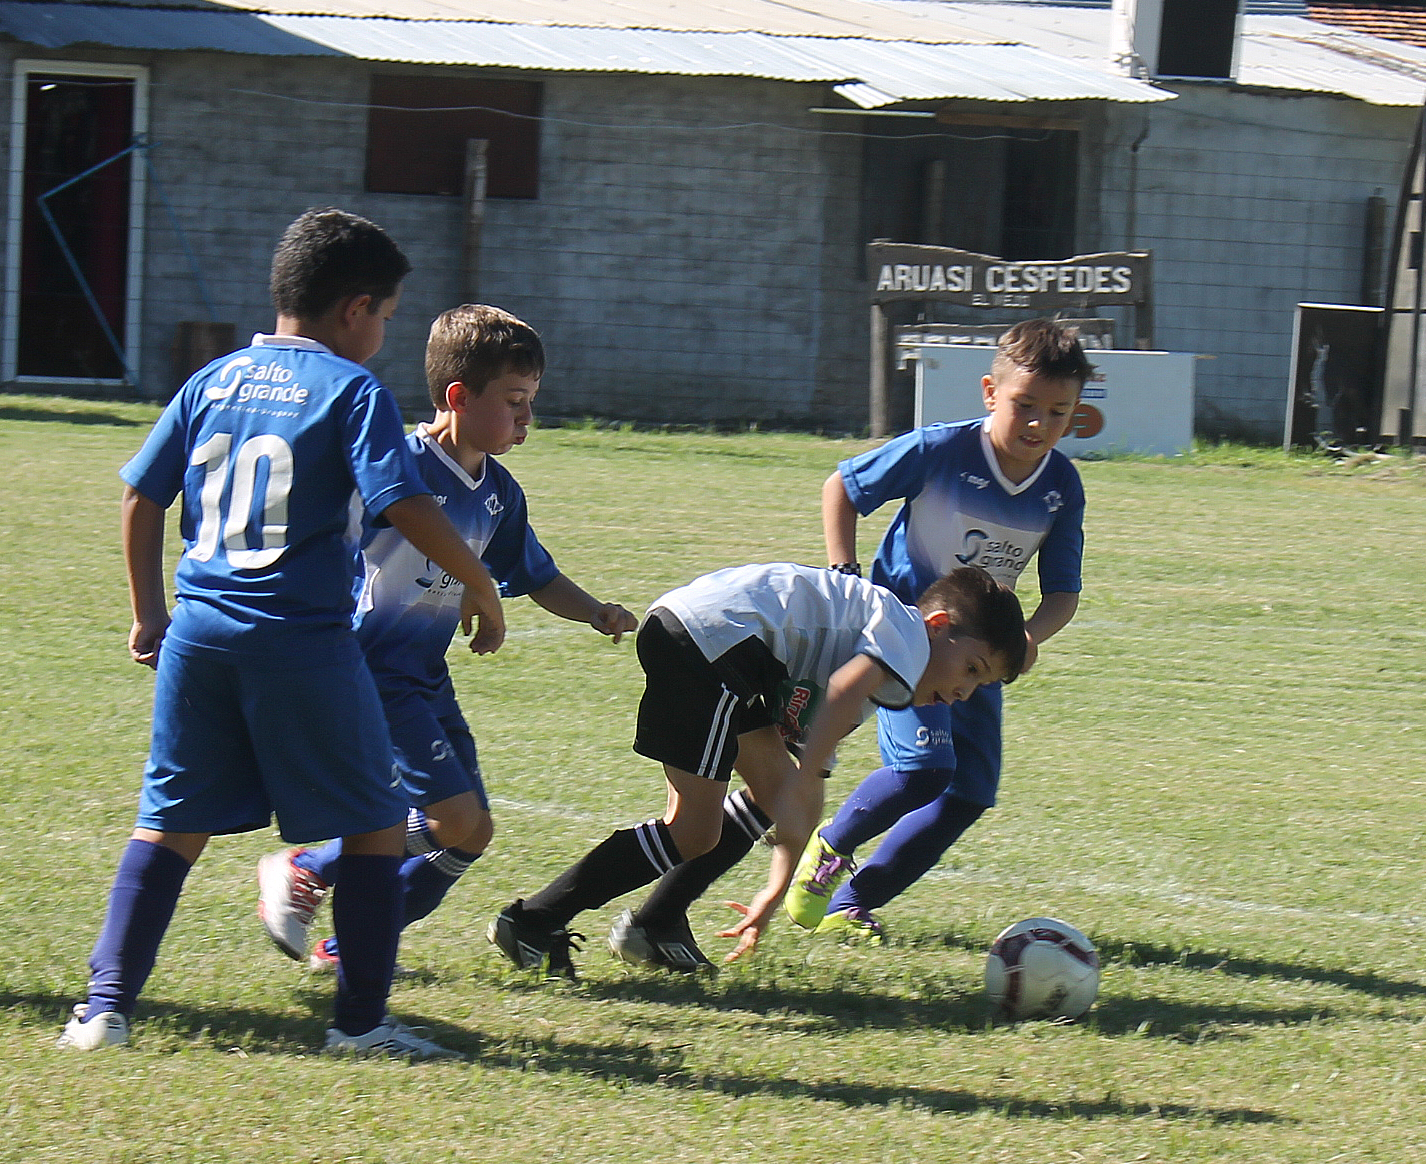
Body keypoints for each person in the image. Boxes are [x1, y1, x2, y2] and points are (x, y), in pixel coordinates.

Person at [58, 209, 506, 1060]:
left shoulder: (212, 380)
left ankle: (102, 1012)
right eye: (386, 315)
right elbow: (403, 503)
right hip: (299, 638)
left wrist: (149, 611)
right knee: (377, 823)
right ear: (355, 309)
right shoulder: (351, 390)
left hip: (198, 633)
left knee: (168, 825)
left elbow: (140, 496)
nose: (382, 333)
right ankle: (361, 1025)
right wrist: (479, 581)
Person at [608, 319, 1090, 970]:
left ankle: (848, 902)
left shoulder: (1061, 485)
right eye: (1024, 405)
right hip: (912, 645)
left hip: (979, 653)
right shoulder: (939, 451)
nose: (1037, 424)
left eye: (1056, 413)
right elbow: (843, 486)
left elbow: (1062, 590)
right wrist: (844, 572)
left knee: (969, 792)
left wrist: (1029, 637)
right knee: (926, 770)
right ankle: (822, 850)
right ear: (988, 393)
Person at [256, 304, 637, 973]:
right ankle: (307, 866)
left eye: (531, 402)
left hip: (424, 678)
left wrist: (594, 611)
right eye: (514, 401)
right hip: (367, 673)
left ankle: (348, 951)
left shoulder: (498, 495)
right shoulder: (392, 465)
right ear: (457, 397)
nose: (526, 418)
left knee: (469, 835)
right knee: (453, 819)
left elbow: (533, 575)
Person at [489, 562, 1027, 980]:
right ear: (938, 627)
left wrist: (772, 892)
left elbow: (795, 790)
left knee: (765, 794)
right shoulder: (906, 640)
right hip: (716, 645)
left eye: (980, 687)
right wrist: (804, 786)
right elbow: (832, 712)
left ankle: (654, 925)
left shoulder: (878, 668)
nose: (962, 692)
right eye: (971, 669)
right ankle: (533, 921)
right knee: (694, 831)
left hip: (716, 642)